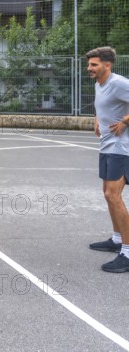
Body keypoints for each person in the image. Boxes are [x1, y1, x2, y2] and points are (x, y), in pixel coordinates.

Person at [88, 46, 129, 273]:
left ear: (107, 65)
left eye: (94, 65)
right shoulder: (99, 84)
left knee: (113, 195)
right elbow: (103, 104)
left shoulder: (119, 82)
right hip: (107, 145)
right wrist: (96, 118)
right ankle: (116, 239)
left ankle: (128, 251)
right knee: (108, 195)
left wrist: (124, 121)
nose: (89, 68)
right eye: (89, 64)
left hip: (121, 147)